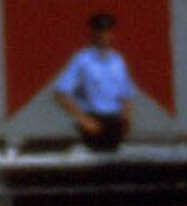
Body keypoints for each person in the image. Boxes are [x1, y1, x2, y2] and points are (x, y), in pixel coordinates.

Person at [51, 12, 138, 153]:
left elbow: (126, 93)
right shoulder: (82, 60)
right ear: (92, 34)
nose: (104, 36)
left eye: (107, 31)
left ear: (112, 34)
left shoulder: (118, 61)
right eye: (100, 31)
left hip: (114, 124)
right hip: (93, 123)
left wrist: (126, 119)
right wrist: (84, 119)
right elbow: (60, 94)